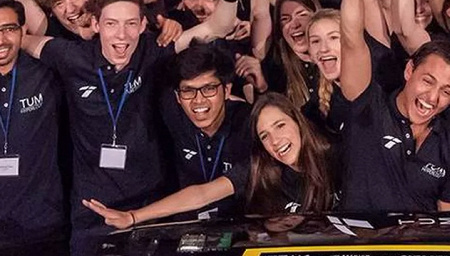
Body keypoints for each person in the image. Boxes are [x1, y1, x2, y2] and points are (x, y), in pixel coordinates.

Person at [20, 0, 243, 256]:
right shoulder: (71, 56)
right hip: (91, 211)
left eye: (130, 24)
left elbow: (215, 27)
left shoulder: (153, 51)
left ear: (142, 25)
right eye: (111, 24)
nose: (121, 34)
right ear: (96, 24)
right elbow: (23, 40)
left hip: (149, 207)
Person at [339, 0, 450, 213]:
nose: (432, 97)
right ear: (410, 70)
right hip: (362, 240)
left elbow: (447, 220)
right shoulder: (368, 107)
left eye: (446, 91)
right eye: (428, 81)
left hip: (421, 241)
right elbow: (351, 40)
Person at [83, 92, 337, 226]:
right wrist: (133, 217)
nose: (275, 140)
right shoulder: (261, 168)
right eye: (264, 135)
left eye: (280, 125)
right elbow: (202, 194)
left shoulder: (334, 156)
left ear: (298, 121)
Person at [0, 0, 68, 256]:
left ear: (23, 30)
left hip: (42, 226)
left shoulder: (46, 73)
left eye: (9, 29)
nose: (2, 39)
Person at [160, 44, 252, 220]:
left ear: (226, 90)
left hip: (240, 225)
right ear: (178, 97)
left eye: (209, 89)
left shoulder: (248, 123)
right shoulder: (172, 116)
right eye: (188, 91)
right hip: (185, 226)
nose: (198, 100)